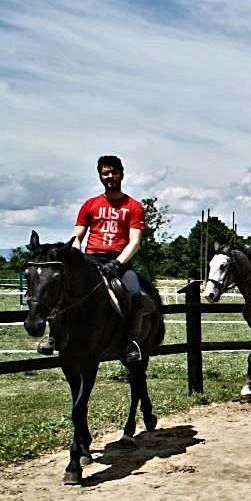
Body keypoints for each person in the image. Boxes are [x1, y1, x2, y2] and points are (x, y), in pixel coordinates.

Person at [38, 155, 152, 362]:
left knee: (135, 295)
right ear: (100, 176)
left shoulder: (133, 206)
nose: (110, 176)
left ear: (121, 175)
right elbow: (77, 237)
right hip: (91, 260)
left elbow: (135, 242)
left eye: (114, 172)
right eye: (105, 173)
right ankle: (53, 336)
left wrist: (117, 263)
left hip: (120, 263)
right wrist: (77, 259)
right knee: (63, 290)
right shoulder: (90, 205)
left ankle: (132, 342)